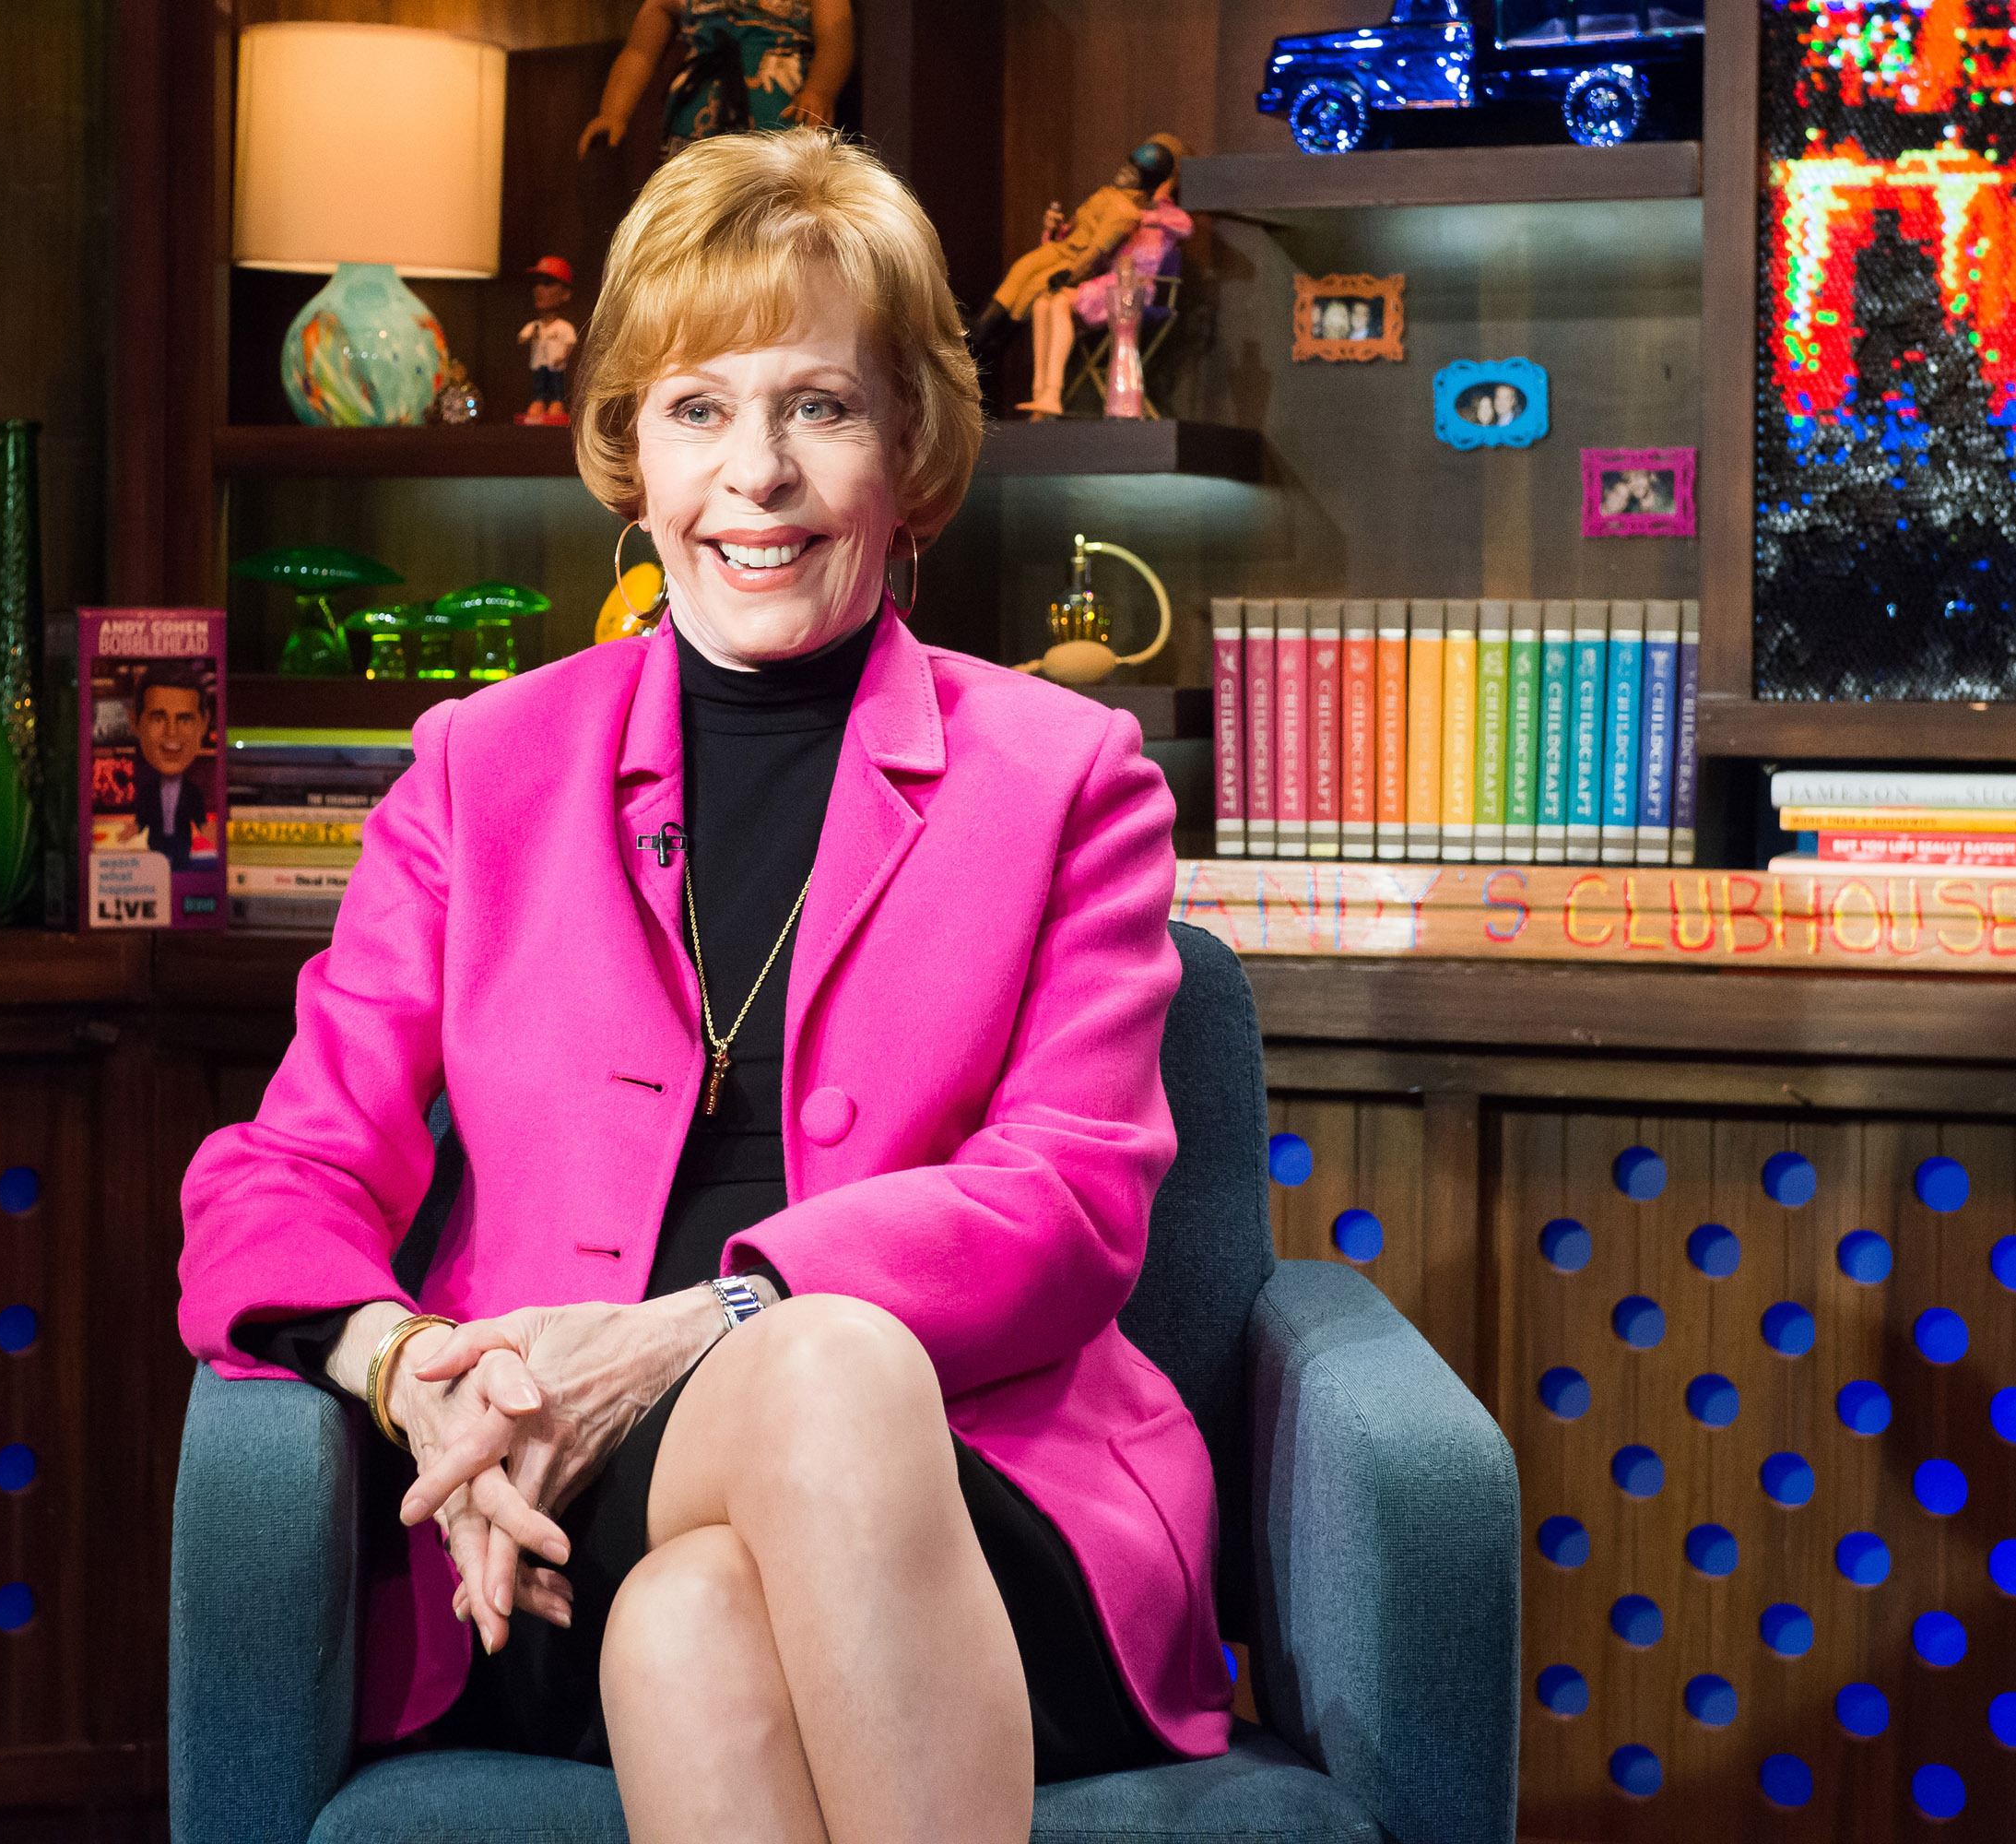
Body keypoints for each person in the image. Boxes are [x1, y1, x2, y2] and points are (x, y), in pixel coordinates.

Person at [178, 128, 1229, 1839]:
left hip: (978, 1492)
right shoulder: (476, 773)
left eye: (820, 407)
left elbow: (1072, 1202)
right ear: (631, 452)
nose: (757, 474)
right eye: (696, 409)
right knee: (698, 1567)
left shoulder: (1065, 777)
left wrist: (705, 1325)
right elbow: (278, 1180)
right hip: (554, 1491)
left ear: (911, 450)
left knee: (725, 1575)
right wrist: (408, 1368)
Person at [970, 136, 1185, 384]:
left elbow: (1096, 252)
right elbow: (1076, 227)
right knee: (1022, 268)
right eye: (1128, 164)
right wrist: (1056, 229)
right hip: (1065, 248)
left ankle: (994, 342)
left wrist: (1071, 274)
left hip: (1083, 264)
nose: (1125, 171)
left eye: (1135, 171)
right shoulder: (1106, 195)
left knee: (1035, 289)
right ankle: (983, 326)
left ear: (1147, 181)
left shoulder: (1126, 212)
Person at [576, 0, 855, 160]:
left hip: (779, 123)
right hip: (694, 129)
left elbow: (835, 38)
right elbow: (640, 51)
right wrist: (613, 112)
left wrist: (820, 90)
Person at [1017, 166, 1192, 420]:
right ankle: (1041, 396)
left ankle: (1053, 393)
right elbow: (1078, 248)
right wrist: (1053, 233)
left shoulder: (1162, 216)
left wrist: (1140, 215)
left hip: (1134, 290)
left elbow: (1185, 225)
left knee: (1059, 302)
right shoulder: (1117, 210)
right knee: (1042, 303)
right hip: (1106, 285)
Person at [124, 664, 213, 869]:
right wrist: (133, 830)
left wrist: (211, 832)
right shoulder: (147, 791)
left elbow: (200, 820)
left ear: (204, 723)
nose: (171, 733)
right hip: (156, 850)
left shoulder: (193, 792)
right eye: (158, 718)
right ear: (135, 722)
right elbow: (142, 819)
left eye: (185, 720)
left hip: (182, 848)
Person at [517, 256, 581, 428]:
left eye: (547, 283)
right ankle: (538, 402)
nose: (539, 289)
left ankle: (556, 403)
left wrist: (562, 357)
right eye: (537, 283)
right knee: (539, 385)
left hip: (556, 366)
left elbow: (570, 343)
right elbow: (521, 338)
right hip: (539, 364)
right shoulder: (535, 326)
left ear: (565, 293)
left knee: (556, 385)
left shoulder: (563, 327)